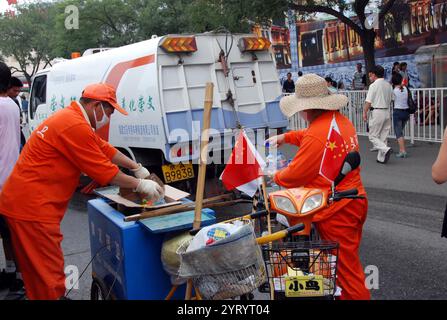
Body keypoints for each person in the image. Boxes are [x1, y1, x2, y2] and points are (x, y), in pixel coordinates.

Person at [0, 83, 164, 300]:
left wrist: (136, 168)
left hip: (23, 203)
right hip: (33, 208)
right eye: (109, 111)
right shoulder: (73, 125)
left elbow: (105, 149)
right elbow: (108, 174)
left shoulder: (72, 118)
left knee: (37, 270)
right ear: (96, 105)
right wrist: (140, 185)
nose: (109, 117)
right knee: (48, 272)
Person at [266, 74, 370, 300]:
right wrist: (287, 137)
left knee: (346, 272)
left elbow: (295, 175)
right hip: (354, 200)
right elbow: (309, 137)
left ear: (308, 108)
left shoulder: (317, 133)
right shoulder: (339, 121)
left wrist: (273, 174)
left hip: (337, 207)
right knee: (346, 263)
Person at [0, 62, 23, 299]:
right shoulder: (13, 105)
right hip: (12, 183)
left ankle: (12, 274)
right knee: (10, 234)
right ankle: (15, 276)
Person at [363, 65, 394, 164]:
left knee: (372, 136)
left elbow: (368, 102)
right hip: (386, 111)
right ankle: (381, 158)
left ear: (374, 74)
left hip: (377, 112)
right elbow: (392, 99)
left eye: (370, 75)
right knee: (383, 136)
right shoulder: (388, 85)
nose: (370, 77)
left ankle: (385, 149)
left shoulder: (374, 85)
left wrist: (364, 112)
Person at [391, 73, 410, 158]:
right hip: (406, 112)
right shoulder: (405, 88)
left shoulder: (394, 91)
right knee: (400, 132)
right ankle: (401, 146)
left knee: (398, 132)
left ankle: (403, 151)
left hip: (398, 112)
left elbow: (391, 100)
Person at [7, 77, 26, 149]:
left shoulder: (15, 101)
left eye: (19, 91)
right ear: (7, 88)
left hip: (16, 135)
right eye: (15, 91)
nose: (17, 93)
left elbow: (19, 117)